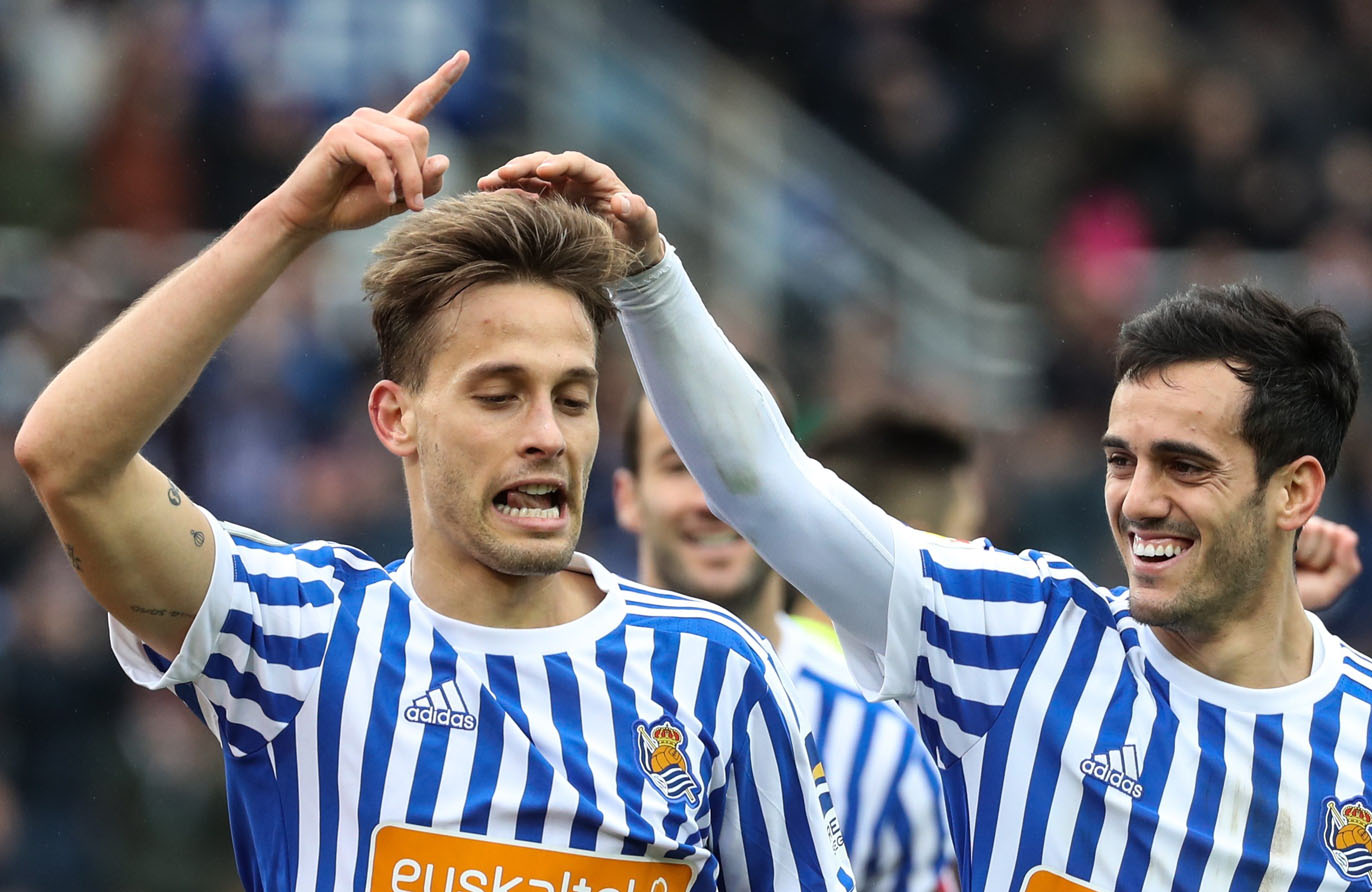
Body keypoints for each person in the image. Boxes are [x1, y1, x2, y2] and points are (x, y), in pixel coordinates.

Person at [13, 57, 854, 892]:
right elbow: (68, 461)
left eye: (572, 398)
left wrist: (654, 275)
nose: (545, 436)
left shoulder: (713, 674)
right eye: (498, 396)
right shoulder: (301, 642)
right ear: (395, 418)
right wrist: (287, 223)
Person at [480, 150, 1372, 890]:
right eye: (1119, 460)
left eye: (1185, 465)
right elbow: (769, 488)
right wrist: (646, 278)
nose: (1138, 499)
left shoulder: (1361, 741)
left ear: (1294, 490)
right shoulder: (1023, 641)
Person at [614, 386, 955, 892]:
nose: (713, 496)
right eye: (679, 464)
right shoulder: (560, 692)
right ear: (627, 498)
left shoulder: (886, 738)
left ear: (795, 489)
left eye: (741, 465)